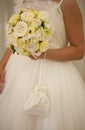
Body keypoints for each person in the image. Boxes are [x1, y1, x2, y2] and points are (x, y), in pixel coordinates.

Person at [0, 0, 85, 130]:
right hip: (18, 71)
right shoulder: (21, 1)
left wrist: (43, 54)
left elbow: (79, 50)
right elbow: (15, 41)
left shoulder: (67, 2)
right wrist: (2, 65)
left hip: (55, 75)